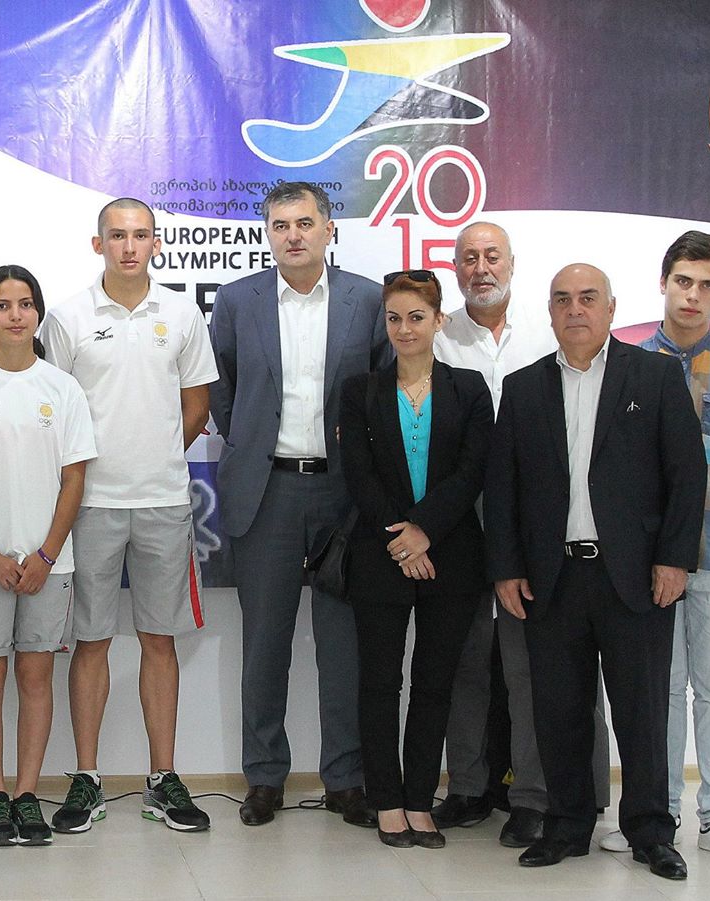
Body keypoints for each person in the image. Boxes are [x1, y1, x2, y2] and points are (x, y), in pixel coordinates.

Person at [488, 263, 704, 881]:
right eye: (562, 300)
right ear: (550, 313)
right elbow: (503, 486)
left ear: (611, 309)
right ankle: (567, 825)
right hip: (552, 576)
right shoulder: (524, 388)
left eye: (588, 298)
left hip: (634, 576)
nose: (575, 309)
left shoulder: (655, 376)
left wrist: (674, 559)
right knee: (559, 709)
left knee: (642, 710)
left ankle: (651, 832)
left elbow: (686, 475)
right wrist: (506, 568)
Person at [210, 181, 390, 827]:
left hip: (344, 493)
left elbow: (383, 390)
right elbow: (223, 391)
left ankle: (345, 778)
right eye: (281, 225)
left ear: (328, 229)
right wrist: (253, 441)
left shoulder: (368, 300)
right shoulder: (238, 301)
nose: (293, 235)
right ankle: (264, 777)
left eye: (305, 223)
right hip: (269, 491)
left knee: (344, 647)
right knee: (265, 643)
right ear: (268, 232)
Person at [40, 198, 217, 834]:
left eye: (141, 235)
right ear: (99, 245)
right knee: (89, 641)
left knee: (158, 640)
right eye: (117, 236)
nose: (129, 246)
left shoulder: (181, 313)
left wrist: (160, 455)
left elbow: (196, 405)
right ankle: (86, 777)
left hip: (164, 501)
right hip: (89, 504)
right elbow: (52, 407)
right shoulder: (67, 317)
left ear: (156, 243)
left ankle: (162, 778)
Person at [601, 231, 710, 865]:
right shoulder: (624, 364)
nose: (692, 295)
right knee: (661, 690)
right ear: (663, 283)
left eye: (707, 285)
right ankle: (660, 812)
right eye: (683, 281)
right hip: (646, 560)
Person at [431, 221, 609, 846]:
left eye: (492, 256)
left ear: (512, 264)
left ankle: (535, 794)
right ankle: (468, 787)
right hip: (458, 524)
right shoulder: (437, 336)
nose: (481, 268)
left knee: (532, 665)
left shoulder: (547, 332)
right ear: (455, 267)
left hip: (537, 527)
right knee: (464, 663)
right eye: (468, 258)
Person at [337, 270, 492, 848]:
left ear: (439, 321)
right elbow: (360, 476)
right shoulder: (360, 390)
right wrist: (403, 541)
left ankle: (421, 800)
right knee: (379, 682)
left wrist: (425, 531)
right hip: (381, 556)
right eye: (395, 318)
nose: (405, 329)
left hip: (451, 555)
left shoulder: (469, 388)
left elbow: (473, 471)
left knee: (434, 684)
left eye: (417, 318)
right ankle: (386, 801)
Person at [0, 266, 97, 846]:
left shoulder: (61, 388)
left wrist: (46, 554)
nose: (15, 315)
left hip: (47, 566)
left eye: (26, 304)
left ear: (38, 313)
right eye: (3, 305)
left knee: (36, 677)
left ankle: (28, 792)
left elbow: (74, 477)